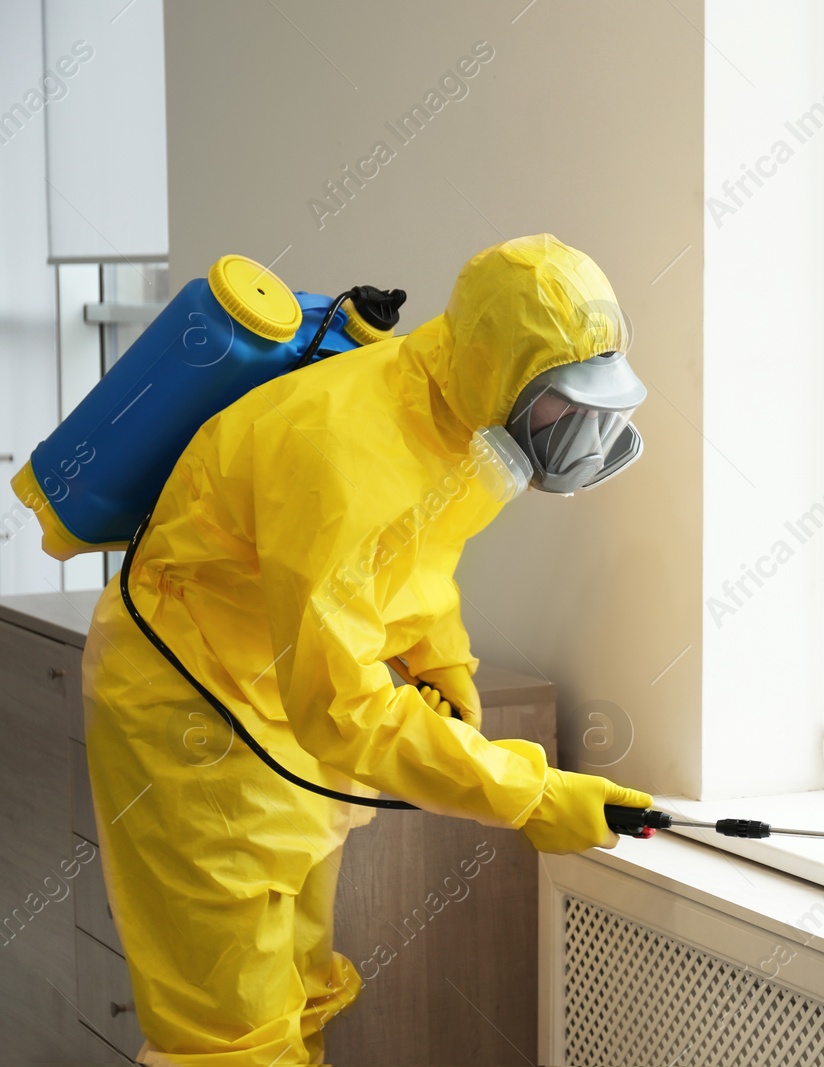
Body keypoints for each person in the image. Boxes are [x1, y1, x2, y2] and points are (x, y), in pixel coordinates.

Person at [82, 235, 652, 1066]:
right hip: (187, 708)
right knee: (231, 1031)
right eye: (565, 403)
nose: (582, 432)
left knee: (300, 986)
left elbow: (414, 557)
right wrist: (528, 795)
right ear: (506, 369)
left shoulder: (452, 403)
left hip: (281, 696)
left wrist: (442, 663)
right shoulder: (342, 450)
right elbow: (346, 707)